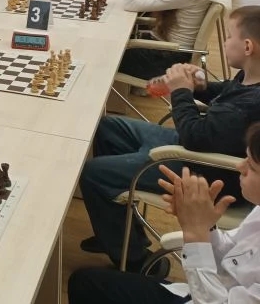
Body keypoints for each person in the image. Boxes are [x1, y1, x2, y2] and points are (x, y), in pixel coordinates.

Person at [75, 6, 260, 277]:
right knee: (108, 128)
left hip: (206, 171)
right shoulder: (251, 78)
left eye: (229, 36)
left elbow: (194, 135)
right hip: (202, 147)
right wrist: (199, 86)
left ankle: (137, 262)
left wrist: (181, 91)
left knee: (94, 173)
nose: (224, 41)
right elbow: (224, 94)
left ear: (247, 47)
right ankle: (117, 232)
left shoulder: (247, 106)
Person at [71, 120, 260, 304]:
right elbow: (232, 256)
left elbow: (196, 133)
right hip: (206, 292)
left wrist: (195, 236)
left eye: (251, 166)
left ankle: (131, 257)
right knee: (84, 283)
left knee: (87, 287)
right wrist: (205, 227)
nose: (239, 166)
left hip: (208, 296)